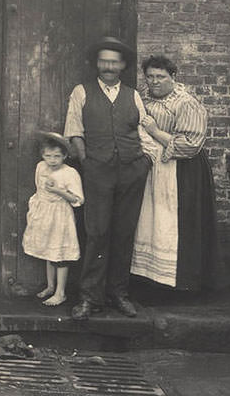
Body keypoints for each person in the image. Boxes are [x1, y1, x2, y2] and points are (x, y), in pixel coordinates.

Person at [63, 36, 155, 319]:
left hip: (131, 170)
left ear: (123, 65)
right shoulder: (82, 92)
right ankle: (90, 298)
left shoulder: (133, 95)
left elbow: (145, 129)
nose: (108, 66)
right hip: (98, 171)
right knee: (97, 232)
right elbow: (74, 130)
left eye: (114, 62)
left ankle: (119, 294)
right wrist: (87, 162)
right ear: (97, 64)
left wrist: (145, 161)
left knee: (124, 233)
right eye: (104, 61)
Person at [131, 55, 220, 291]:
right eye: (150, 76)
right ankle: (149, 280)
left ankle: (182, 284)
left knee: (177, 224)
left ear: (173, 77)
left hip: (183, 170)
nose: (154, 82)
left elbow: (190, 144)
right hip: (152, 166)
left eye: (160, 77)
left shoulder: (186, 103)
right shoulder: (142, 97)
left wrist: (155, 131)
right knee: (151, 220)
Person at [22, 132, 84, 306]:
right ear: (42, 156)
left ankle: (60, 292)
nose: (52, 160)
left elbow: (78, 199)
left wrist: (58, 191)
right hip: (44, 214)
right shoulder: (41, 167)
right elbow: (38, 188)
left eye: (57, 156)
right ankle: (50, 287)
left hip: (60, 216)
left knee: (60, 254)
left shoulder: (69, 173)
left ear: (65, 155)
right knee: (49, 251)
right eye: (48, 156)